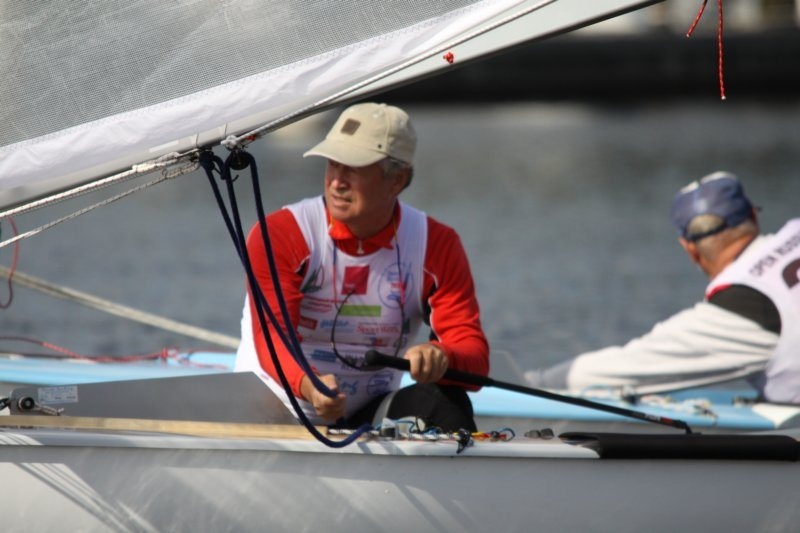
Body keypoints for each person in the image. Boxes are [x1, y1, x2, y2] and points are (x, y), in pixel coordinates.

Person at [235, 102, 489, 430]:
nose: (336, 182)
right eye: (332, 163)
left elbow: (475, 358)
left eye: (353, 168)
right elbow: (274, 337)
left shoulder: (436, 245)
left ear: (396, 180)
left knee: (447, 401)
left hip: (366, 416)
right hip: (275, 412)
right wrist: (310, 387)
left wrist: (442, 355)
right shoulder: (282, 234)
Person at [525, 171, 800, 403]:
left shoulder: (743, 308)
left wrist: (534, 383)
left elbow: (625, 367)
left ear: (689, 249)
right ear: (753, 216)